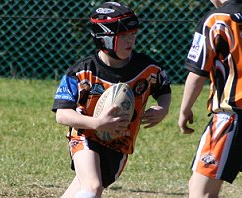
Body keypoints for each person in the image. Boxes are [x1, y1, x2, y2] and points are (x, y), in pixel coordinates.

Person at [52, 2, 172, 198]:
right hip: (85, 135)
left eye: (133, 34)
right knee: (93, 186)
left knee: (85, 189)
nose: (130, 40)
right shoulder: (81, 71)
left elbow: (164, 89)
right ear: (104, 38)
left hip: (120, 142)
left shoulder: (148, 68)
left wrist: (163, 108)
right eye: (124, 35)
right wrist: (98, 123)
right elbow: (62, 114)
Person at [178, 0, 242, 197]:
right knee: (198, 185)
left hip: (229, 120)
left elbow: (196, 73)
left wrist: (184, 110)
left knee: (200, 193)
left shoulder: (217, 19)